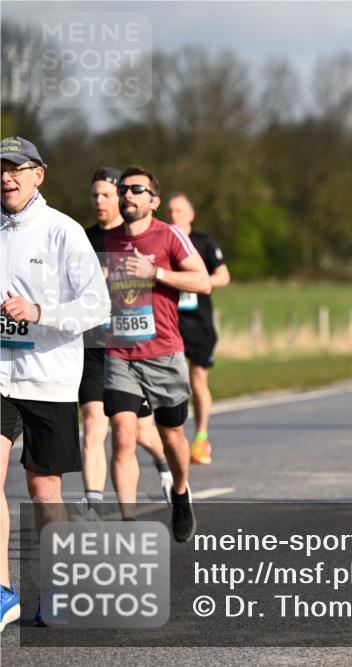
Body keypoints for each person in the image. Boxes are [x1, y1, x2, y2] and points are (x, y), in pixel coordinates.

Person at [1, 137, 110, 630]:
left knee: (44, 490)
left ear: (38, 174)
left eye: (16, 169)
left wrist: (39, 312)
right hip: (0, 376)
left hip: (49, 380)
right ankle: (4, 592)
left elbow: (98, 306)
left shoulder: (63, 231)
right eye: (1, 169)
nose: (7, 177)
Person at [103, 166, 210, 541]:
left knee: (173, 437)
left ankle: (180, 493)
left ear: (153, 200)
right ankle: (128, 525)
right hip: (119, 353)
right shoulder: (107, 240)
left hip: (163, 352)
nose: (127, 195)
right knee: (122, 432)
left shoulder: (169, 235)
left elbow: (203, 281)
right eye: (123, 189)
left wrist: (156, 273)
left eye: (137, 189)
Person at [80, 167, 173, 507]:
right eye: (95, 196)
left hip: (130, 349)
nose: (101, 202)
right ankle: (92, 505)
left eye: (107, 194)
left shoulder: (138, 237)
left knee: (138, 433)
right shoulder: (81, 239)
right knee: (93, 424)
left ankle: (166, 467)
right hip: (93, 345)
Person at [167, 193, 230, 463]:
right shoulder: (163, 240)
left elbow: (224, 276)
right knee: (171, 379)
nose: (174, 216)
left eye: (180, 211)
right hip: (170, 321)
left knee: (198, 379)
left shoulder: (203, 242)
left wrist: (195, 281)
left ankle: (201, 437)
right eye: (170, 211)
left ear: (191, 215)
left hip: (199, 323)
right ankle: (173, 435)